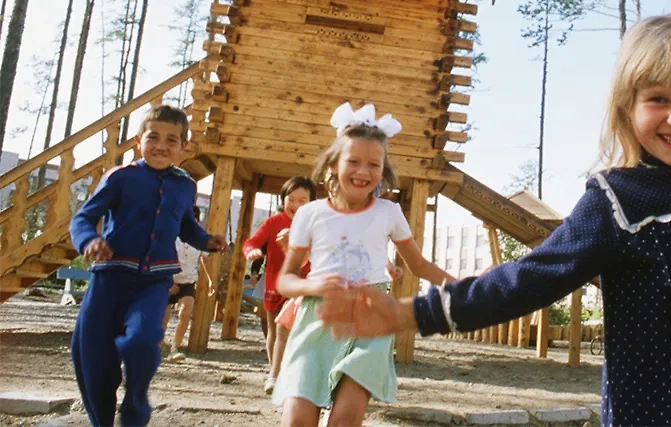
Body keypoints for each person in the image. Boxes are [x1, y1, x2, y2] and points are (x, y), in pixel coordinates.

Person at [321, 13, 671, 427]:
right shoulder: (617, 201)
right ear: (626, 106)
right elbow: (527, 279)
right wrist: (411, 313)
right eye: (657, 99)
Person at [273, 102, 456, 427]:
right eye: (353, 161)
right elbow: (285, 280)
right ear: (332, 165)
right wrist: (313, 285)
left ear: (383, 171)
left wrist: (467, 287)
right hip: (317, 319)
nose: (363, 171)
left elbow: (419, 265)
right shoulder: (310, 213)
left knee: (345, 419)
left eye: (374, 164)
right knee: (296, 421)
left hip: (372, 319)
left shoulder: (388, 213)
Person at [69, 104, 228, 427]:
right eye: (153, 137)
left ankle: (135, 401)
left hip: (153, 283)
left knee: (142, 340)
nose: (161, 146)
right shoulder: (120, 177)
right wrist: (89, 241)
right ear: (139, 140)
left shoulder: (185, 185)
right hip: (109, 279)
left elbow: (185, 226)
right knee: (95, 363)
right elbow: (84, 217)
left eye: (172, 140)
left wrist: (205, 240)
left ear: (183, 146)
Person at [244, 176, 314, 394]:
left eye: (303, 200)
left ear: (312, 203)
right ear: (283, 199)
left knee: (294, 330)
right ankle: (275, 372)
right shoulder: (274, 222)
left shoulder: (316, 224)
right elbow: (252, 242)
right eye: (291, 199)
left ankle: (286, 375)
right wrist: (252, 252)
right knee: (273, 332)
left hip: (303, 285)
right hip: (275, 283)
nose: (296, 205)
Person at [163, 205, 215, 362]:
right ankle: (157, 346)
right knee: (163, 318)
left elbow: (205, 259)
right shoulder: (170, 235)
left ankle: (175, 348)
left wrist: (212, 280)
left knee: (185, 313)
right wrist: (166, 280)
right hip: (168, 280)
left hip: (188, 280)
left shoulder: (199, 239)